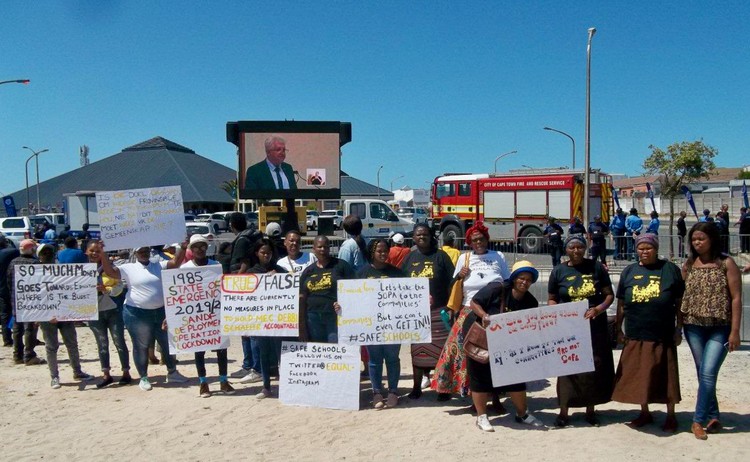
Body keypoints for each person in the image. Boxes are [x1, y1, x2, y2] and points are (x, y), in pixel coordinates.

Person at [612, 234, 684, 433]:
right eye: (641, 248)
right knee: (640, 375)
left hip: (663, 333)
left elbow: (679, 303)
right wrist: (619, 329)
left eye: (649, 248)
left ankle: (671, 415)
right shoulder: (629, 271)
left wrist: (679, 329)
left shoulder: (670, 270)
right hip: (636, 332)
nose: (644, 252)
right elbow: (621, 304)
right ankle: (645, 412)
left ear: (656, 249)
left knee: (666, 376)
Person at [433, 222, 509, 400]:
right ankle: (466, 392)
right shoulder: (464, 258)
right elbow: (453, 285)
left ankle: (495, 394)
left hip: (493, 312)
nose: (478, 242)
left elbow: (507, 281)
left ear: (487, 239)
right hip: (468, 311)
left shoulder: (498, 256)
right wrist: (460, 275)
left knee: (493, 354)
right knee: (464, 352)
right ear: (469, 242)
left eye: (481, 239)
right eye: (474, 240)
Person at [680, 222, 743, 440]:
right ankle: (713, 415)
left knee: (707, 372)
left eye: (701, 239)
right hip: (693, 326)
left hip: (720, 327)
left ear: (712, 239)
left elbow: (736, 298)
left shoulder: (726, 263)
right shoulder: (688, 264)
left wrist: (735, 331)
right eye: (694, 239)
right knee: (703, 373)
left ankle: (697, 421)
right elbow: (682, 296)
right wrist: (678, 326)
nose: (697, 243)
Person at [466, 261, 545, 431]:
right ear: (514, 278)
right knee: (479, 377)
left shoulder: (530, 301)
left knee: (516, 378)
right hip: (483, 340)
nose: (524, 282)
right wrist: (484, 315)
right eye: (521, 278)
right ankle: (482, 416)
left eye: (528, 280)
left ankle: (522, 413)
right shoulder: (497, 288)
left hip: (509, 344)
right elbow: (474, 303)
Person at [99, 243, 188, 391]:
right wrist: (103, 253)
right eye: (141, 251)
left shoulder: (159, 265)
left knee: (168, 343)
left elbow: (176, 262)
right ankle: (144, 377)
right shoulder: (128, 268)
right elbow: (109, 272)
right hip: (136, 313)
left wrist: (183, 248)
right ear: (135, 253)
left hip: (161, 312)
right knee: (141, 346)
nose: (144, 253)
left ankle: (172, 372)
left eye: (146, 250)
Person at [548, 235, 615, 427]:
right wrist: (557, 311)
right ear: (566, 249)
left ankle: (590, 410)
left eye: (580, 247)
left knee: (593, 366)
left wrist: (598, 309)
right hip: (568, 329)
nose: (576, 251)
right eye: (572, 247)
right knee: (567, 367)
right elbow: (552, 298)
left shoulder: (596, 268)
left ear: (585, 248)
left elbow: (609, 295)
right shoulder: (558, 270)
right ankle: (563, 412)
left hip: (594, 327)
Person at [400, 223, 455, 399]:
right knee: (417, 352)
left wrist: (451, 306)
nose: (421, 237)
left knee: (441, 352)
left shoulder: (441, 256)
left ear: (431, 236)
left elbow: (452, 283)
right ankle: (416, 387)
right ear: (413, 238)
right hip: (416, 314)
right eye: (418, 235)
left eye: (425, 234)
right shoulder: (409, 258)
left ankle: (442, 388)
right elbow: (400, 284)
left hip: (439, 311)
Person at [351, 238, 406, 409]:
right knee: (374, 360)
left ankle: (393, 391)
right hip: (370, 324)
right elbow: (352, 298)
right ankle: (376, 392)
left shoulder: (398, 273)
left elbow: (407, 297)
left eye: (385, 250)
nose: (383, 254)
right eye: (379, 251)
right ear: (372, 253)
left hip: (393, 323)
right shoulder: (362, 273)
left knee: (392, 358)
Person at [182, 234, 235, 398]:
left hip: (215, 314)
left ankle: (224, 380)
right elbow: (179, 298)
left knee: (221, 349)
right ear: (191, 249)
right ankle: (203, 383)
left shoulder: (216, 266)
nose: (199, 249)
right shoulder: (184, 270)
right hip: (196, 318)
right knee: (199, 351)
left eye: (202, 246)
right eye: (196, 246)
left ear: (207, 248)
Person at [36, 243, 94, 388]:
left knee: (72, 343)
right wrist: (36, 315)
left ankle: (77, 371)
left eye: (49, 251)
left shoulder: (63, 270)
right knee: (51, 346)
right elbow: (31, 297)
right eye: (44, 252)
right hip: (46, 315)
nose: (47, 254)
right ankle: (54, 377)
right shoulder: (33, 273)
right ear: (39, 256)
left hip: (65, 312)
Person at [248, 237, 290, 399]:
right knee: (264, 353)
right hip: (261, 320)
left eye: (269, 253)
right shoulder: (252, 273)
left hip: (279, 319)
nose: (266, 256)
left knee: (281, 353)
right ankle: (266, 386)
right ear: (257, 253)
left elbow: (290, 288)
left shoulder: (280, 270)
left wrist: (278, 277)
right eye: (263, 252)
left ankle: (286, 385)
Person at [86, 241, 132, 388]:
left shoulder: (110, 269)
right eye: (92, 250)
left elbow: (119, 287)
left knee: (119, 341)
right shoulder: (80, 271)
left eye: (98, 251)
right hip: (94, 312)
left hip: (113, 310)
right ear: (86, 251)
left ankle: (126, 372)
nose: (94, 253)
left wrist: (106, 289)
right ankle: (106, 374)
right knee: (102, 344)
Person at [227, 211, 264, 383]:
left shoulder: (242, 240)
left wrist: (236, 287)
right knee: (246, 330)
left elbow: (244, 264)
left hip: (244, 288)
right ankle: (250, 365)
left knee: (249, 330)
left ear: (232, 225)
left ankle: (253, 367)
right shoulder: (252, 236)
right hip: (250, 285)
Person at [299, 235, 355, 343]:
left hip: (335, 317)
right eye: (320, 247)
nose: (323, 250)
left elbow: (354, 289)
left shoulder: (341, 266)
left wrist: (344, 304)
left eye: (326, 247)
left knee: (334, 349)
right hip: (313, 318)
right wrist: (301, 325)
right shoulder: (308, 271)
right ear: (313, 249)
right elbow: (301, 298)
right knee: (318, 352)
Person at [7, 239, 44, 365]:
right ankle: (29, 355)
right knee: (30, 327)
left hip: (16, 299)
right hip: (31, 300)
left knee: (17, 328)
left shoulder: (13, 262)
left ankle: (17, 355)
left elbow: (8, 280)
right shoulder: (35, 263)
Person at [0, 235, 20, 346]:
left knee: (4, 315)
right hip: (14, 287)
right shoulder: (11, 252)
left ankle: (7, 340)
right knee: (21, 314)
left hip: (1, 289)